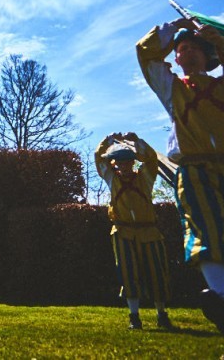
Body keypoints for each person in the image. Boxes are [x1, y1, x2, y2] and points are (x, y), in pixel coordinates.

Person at [138, 19, 224, 355]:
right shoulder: (170, 87)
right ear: (175, 57)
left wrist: (219, 40)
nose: (186, 50)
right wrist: (175, 27)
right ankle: (218, 295)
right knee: (205, 226)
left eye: (193, 46)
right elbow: (144, 53)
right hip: (196, 167)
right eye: (181, 48)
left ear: (208, 55)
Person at [94, 133, 172, 330]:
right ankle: (134, 316)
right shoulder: (112, 179)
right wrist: (109, 140)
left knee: (157, 272)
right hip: (123, 232)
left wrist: (136, 142)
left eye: (128, 161)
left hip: (149, 232)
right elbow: (98, 157)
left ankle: (162, 314)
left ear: (133, 162)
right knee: (128, 273)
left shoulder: (145, 178)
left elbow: (152, 158)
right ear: (115, 163)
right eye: (120, 162)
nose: (124, 165)